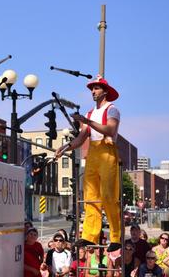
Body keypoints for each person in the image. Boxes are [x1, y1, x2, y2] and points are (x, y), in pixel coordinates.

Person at [55, 75, 121, 252]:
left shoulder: (112, 109)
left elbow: (110, 129)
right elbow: (81, 138)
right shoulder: (90, 113)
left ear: (105, 91)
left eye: (97, 88)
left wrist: (87, 122)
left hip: (107, 151)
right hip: (93, 153)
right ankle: (89, 236)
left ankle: (116, 237)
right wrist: (65, 147)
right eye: (92, 88)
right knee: (91, 196)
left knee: (108, 196)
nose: (93, 91)